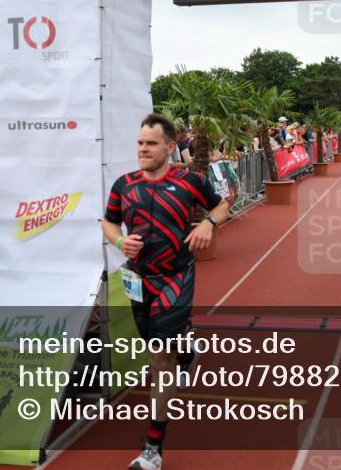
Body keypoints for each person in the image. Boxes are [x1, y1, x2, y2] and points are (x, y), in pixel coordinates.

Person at [102, 114, 229, 470]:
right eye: (140, 142)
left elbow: (221, 202)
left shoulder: (190, 180)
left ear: (171, 147)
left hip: (175, 277)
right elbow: (109, 222)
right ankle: (187, 351)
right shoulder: (123, 184)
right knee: (156, 346)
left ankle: (152, 449)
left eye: (151, 143)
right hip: (138, 279)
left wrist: (208, 222)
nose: (143, 149)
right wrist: (120, 241)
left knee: (159, 361)